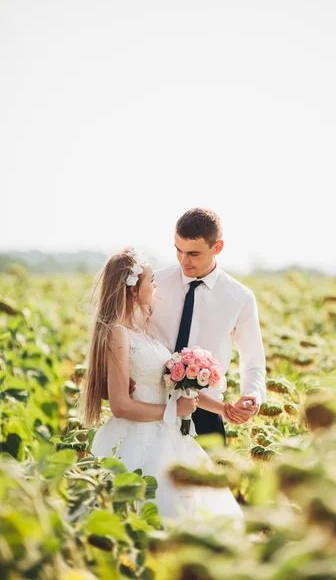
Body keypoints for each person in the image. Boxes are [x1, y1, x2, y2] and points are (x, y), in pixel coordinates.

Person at [82, 247, 243, 520]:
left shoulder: (144, 331)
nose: (156, 285)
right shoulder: (118, 335)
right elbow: (121, 407)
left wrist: (223, 409)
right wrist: (174, 412)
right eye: (150, 281)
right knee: (145, 511)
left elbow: (173, 388)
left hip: (168, 435)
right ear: (133, 289)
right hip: (136, 437)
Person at [143, 208, 266, 441]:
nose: (183, 261)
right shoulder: (153, 284)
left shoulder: (240, 297)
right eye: (178, 250)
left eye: (193, 253)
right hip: (150, 409)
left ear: (217, 248)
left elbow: (253, 362)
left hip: (207, 415)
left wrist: (252, 395)